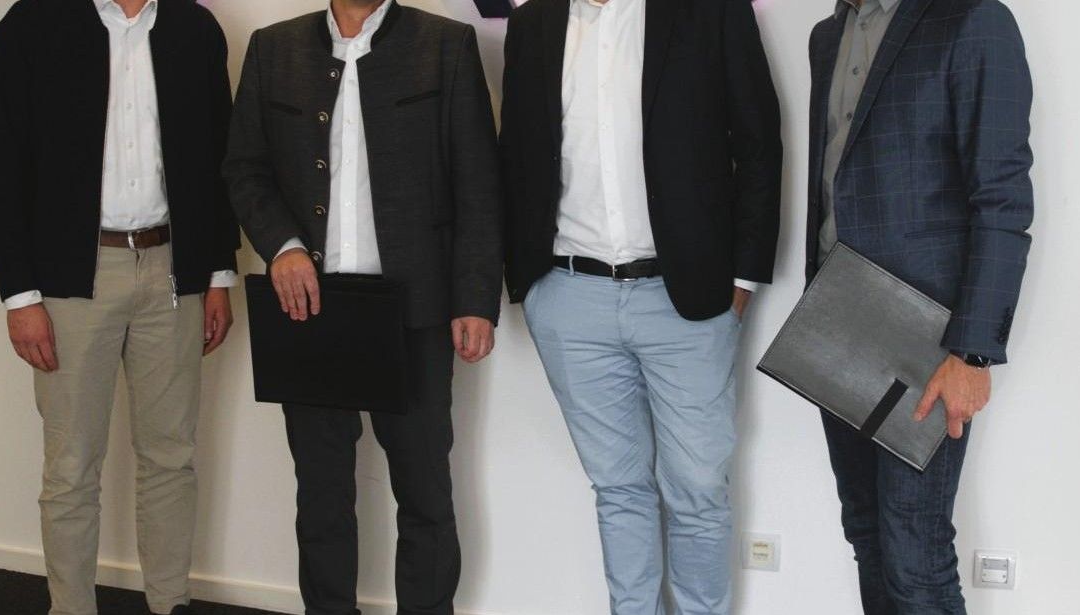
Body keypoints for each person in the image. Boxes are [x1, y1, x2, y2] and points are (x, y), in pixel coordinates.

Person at [499, 0, 782, 612]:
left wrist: (744, 276)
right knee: (618, 488)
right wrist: (529, 282)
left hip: (687, 297)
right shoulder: (531, 24)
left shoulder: (710, 11)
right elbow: (515, 154)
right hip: (569, 297)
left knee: (698, 489)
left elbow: (759, 143)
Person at [223, 1, 503, 613]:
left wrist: (475, 298)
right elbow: (245, 168)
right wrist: (282, 247)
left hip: (417, 309)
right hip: (310, 308)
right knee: (321, 496)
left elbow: (478, 182)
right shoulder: (273, 48)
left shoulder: (445, 44)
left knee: (425, 492)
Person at [0, 0, 239, 613]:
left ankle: (170, 602)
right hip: (71, 278)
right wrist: (19, 293)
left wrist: (217, 273)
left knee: (171, 457)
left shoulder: (195, 28)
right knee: (71, 467)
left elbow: (218, 158)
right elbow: (0, 167)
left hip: (174, 271)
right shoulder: (31, 23)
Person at [805, 0, 1034, 612]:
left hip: (927, 339)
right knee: (867, 534)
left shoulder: (973, 19)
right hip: (835, 320)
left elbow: (1002, 199)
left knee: (916, 556)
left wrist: (973, 353)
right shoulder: (827, 36)